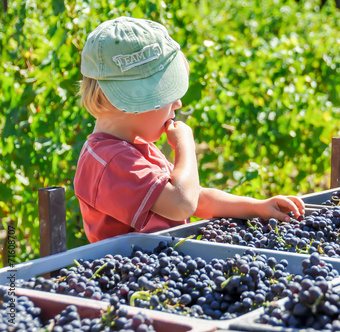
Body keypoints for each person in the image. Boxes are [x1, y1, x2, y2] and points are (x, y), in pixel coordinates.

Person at [74, 16, 305, 243]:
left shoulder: (133, 147)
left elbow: (198, 198)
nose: (178, 104)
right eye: (167, 96)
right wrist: (185, 145)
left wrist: (257, 207)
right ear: (133, 103)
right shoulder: (109, 162)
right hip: (137, 275)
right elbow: (182, 204)